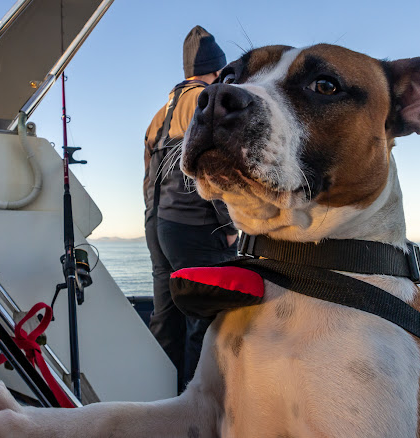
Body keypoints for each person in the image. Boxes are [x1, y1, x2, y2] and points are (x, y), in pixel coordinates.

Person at [143, 25, 238, 393]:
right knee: (207, 318)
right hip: (194, 224)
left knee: (166, 318)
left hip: (157, 224)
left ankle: (160, 402)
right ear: (217, 69)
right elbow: (213, 164)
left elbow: (147, 174)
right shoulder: (207, 100)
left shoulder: (160, 112)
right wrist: (228, 223)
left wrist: (154, 217)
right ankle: (200, 406)